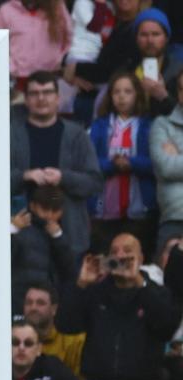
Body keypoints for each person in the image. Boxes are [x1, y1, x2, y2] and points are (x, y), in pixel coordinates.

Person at [57, 233, 181, 380]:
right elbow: (66, 324)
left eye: (128, 251)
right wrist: (81, 285)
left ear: (141, 259)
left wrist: (139, 284)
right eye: (114, 252)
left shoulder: (156, 292)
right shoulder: (95, 291)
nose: (121, 256)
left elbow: (166, 328)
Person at [10, 71, 103, 259]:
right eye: (34, 93)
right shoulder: (11, 135)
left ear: (58, 98)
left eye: (47, 92)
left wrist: (63, 177)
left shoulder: (77, 135)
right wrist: (25, 176)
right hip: (23, 238)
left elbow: (94, 182)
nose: (41, 98)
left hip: (69, 235)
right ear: (26, 99)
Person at [88, 71, 158, 256]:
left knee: (134, 260)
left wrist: (131, 163)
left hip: (139, 210)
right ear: (110, 96)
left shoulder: (149, 126)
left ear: (137, 95)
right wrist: (113, 164)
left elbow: (156, 163)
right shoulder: (99, 126)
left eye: (128, 91)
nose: (121, 97)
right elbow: (89, 163)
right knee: (105, 260)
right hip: (105, 210)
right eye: (116, 92)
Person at [11, 318, 116, 380]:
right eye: (15, 342)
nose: (21, 348)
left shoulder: (50, 366)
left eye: (28, 343)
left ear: (39, 348)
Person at [10, 184, 75, 312]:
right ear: (33, 206)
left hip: (51, 302)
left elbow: (69, 269)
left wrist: (58, 237)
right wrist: (13, 230)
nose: (49, 215)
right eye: (45, 209)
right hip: (20, 300)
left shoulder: (62, 233)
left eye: (55, 210)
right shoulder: (20, 228)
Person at [0, 0, 73, 84]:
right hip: (18, 79)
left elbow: (70, 39)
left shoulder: (57, 6)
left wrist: (60, 60)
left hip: (52, 76)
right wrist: (11, 66)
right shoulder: (6, 10)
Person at [150, 75, 183, 257]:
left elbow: (173, 166)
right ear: (178, 93)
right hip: (175, 216)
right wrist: (172, 162)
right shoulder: (162, 125)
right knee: (168, 281)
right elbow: (165, 167)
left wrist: (178, 156)